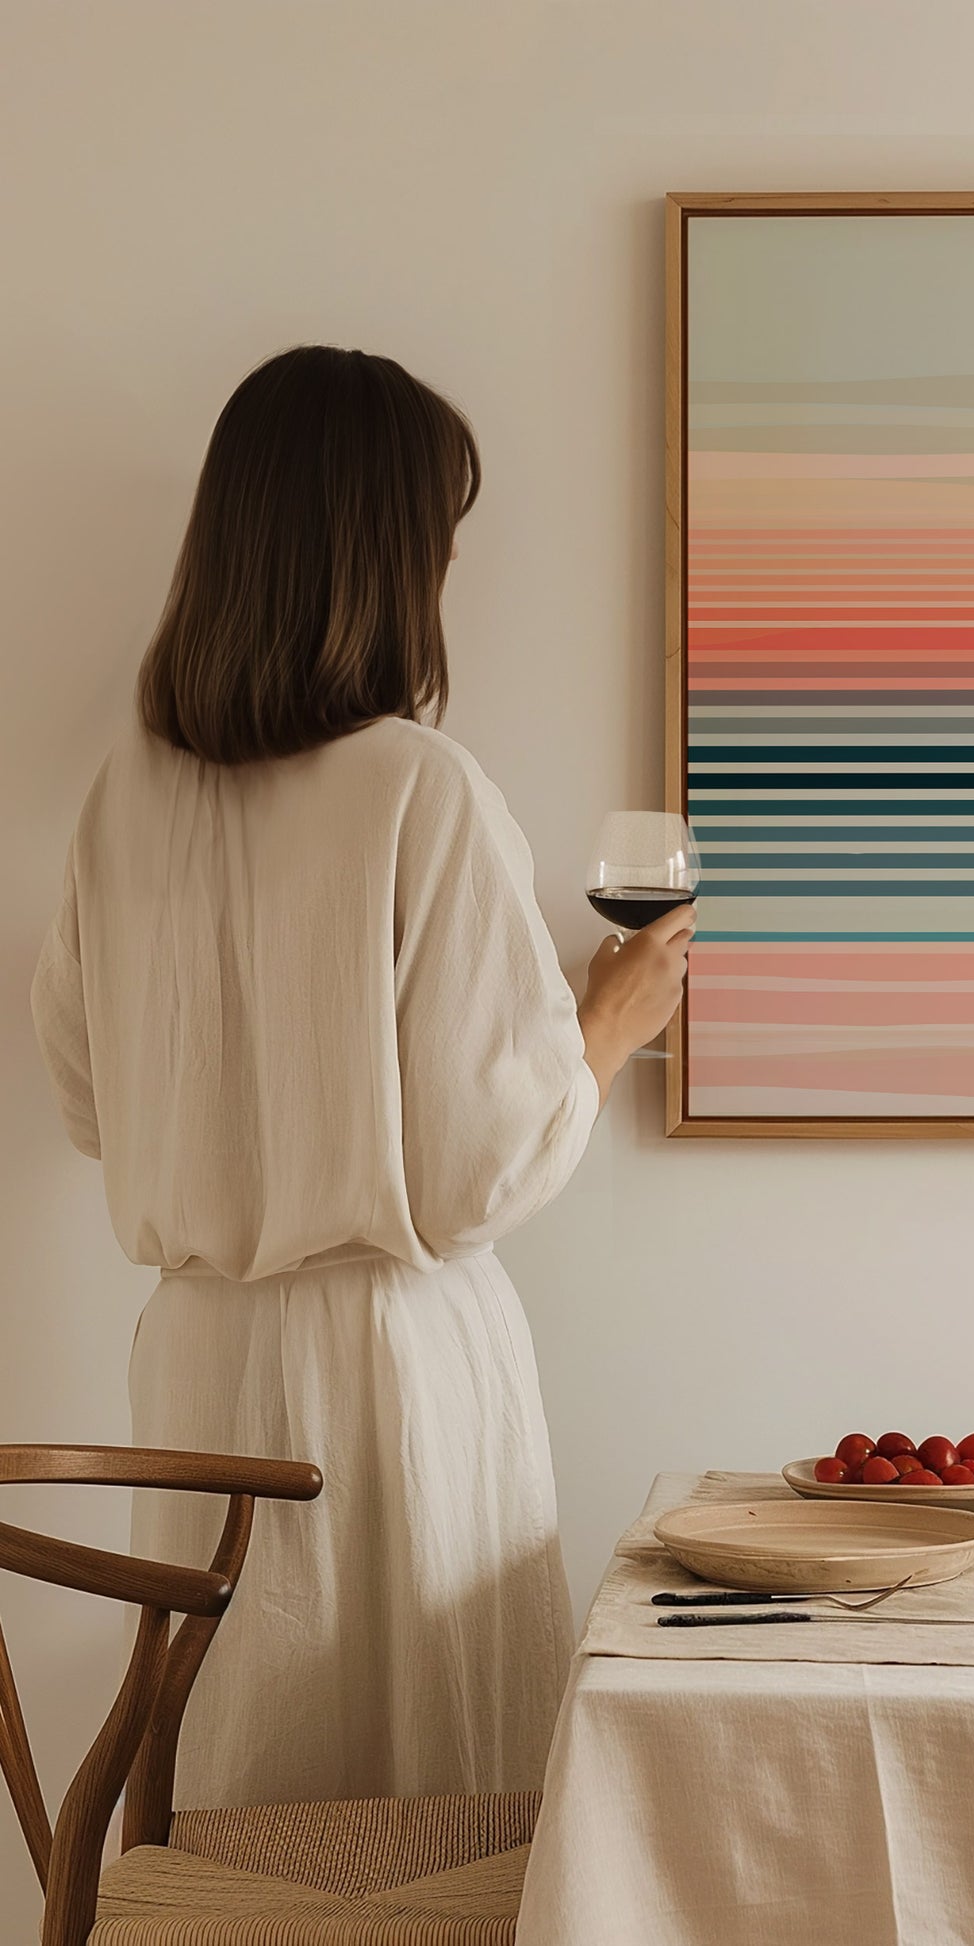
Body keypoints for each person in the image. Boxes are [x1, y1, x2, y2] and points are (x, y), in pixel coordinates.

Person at [29, 345, 689, 1806]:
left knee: (238, 1786)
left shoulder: (125, 798)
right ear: (387, 555)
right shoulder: (418, 786)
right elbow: (473, 1175)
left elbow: (87, 1099)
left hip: (198, 1364)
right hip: (390, 1372)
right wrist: (605, 1022)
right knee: (427, 1809)